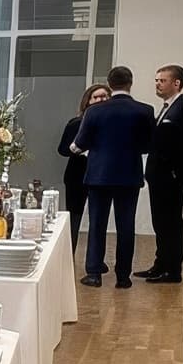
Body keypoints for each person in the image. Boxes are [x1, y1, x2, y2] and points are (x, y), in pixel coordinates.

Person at [71, 63, 155, 289]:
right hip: (129, 175)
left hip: (99, 175)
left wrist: (76, 148)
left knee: (97, 224)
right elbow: (148, 145)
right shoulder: (145, 110)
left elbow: (80, 143)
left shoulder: (94, 111)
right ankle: (123, 276)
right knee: (126, 225)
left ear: (110, 84)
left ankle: (94, 273)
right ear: (130, 83)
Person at [143, 62, 183, 283]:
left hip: (170, 177)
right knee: (160, 221)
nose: (157, 84)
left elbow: (178, 144)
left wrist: (174, 172)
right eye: (156, 80)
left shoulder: (182, 107)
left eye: (162, 80)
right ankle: (160, 264)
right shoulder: (167, 106)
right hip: (159, 176)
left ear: (176, 83)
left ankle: (173, 270)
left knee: (171, 222)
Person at [59, 82, 110, 255]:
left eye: (104, 96)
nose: (101, 99)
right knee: (74, 218)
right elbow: (63, 149)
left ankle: (96, 260)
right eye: (96, 97)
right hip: (76, 176)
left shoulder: (113, 124)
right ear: (87, 101)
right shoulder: (76, 123)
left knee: (98, 221)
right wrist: (80, 150)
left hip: (101, 176)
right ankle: (68, 256)